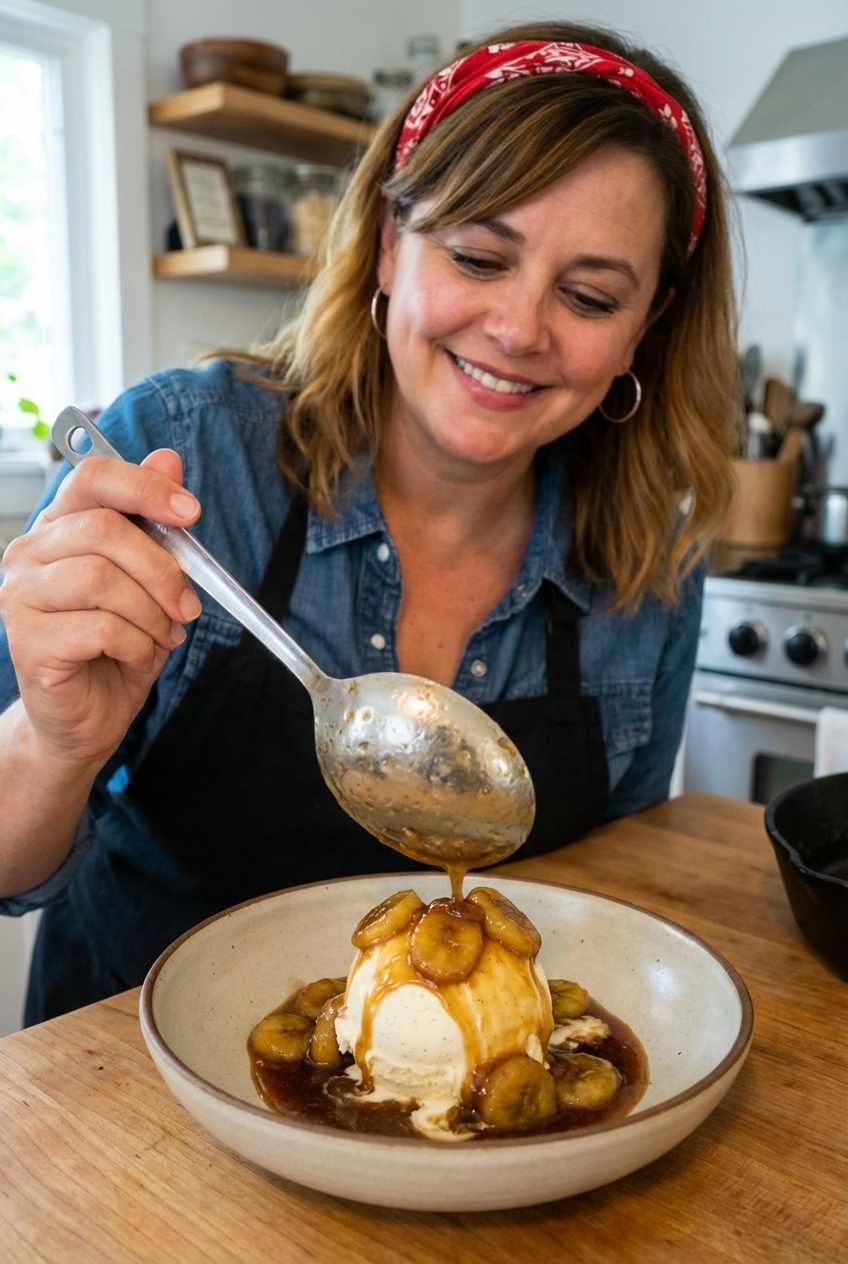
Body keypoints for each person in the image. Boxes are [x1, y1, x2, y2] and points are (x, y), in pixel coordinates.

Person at [0, 22, 737, 1023]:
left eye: (589, 295)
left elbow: (607, 902)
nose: (518, 329)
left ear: (641, 328)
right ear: (391, 243)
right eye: (478, 256)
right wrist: (54, 746)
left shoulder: (648, 560)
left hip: (462, 1139)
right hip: (129, 1125)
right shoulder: (180, 458)